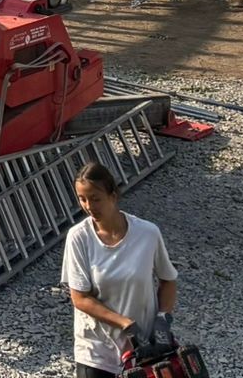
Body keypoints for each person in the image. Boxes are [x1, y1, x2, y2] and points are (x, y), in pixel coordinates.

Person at [63, 160, 179, 377]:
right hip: (96, 352)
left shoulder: (147, 233)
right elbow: (80, 298)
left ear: (113, 195)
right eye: (82, 199)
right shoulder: (78, 238)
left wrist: (163, 318)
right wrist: (126, 324)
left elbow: (168, 279)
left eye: (95, 198)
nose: (89, 206)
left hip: (145, 350)